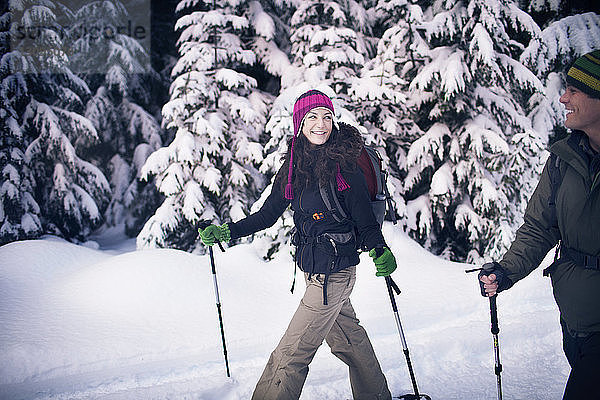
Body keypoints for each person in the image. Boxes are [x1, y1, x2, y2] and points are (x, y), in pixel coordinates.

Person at [199, 89, 396, 400]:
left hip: (334, 274)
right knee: (350, 341)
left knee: (290, 355)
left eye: (327, 116)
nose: (321, 124)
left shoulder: (344, 165)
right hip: (314, 269)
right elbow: (267, 214)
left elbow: (364, 221)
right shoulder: (294, 164)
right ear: (299, 123)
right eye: (313, 117)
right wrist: (228, 231)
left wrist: (380, 249)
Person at [478, 50, 600, 399]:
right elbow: (539, 227)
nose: (563, 97)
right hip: (574, 322)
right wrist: (505, 272)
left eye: (575, 90)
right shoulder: (565, 159)